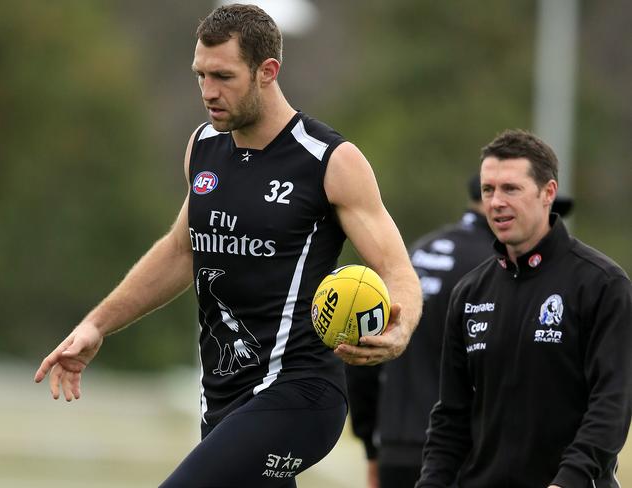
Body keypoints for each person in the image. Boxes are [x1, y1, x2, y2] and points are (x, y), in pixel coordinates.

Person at [33, 4, 422, 488]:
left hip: (299, 395)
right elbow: (182, 250)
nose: (208, 92)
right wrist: (97, 325)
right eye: (200, 75)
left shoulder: (329, 160)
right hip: (223, 402)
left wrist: (399, 328)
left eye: (222, 76)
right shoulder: (204, 146)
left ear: (267, 72)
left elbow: (397, 269)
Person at [417, 129, 632, 488]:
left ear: (548, 193)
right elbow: (451, 417)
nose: (496, 202)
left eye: (510, 189)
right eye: (488, 190)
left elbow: (611, 405)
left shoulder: (602, 284)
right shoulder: (469, 292)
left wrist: (569, 481)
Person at [347, 177, 574, 488]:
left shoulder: (413, 255)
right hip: (464, 458)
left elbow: (364, 354)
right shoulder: (497, 270)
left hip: (397, 452)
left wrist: (374, 447)